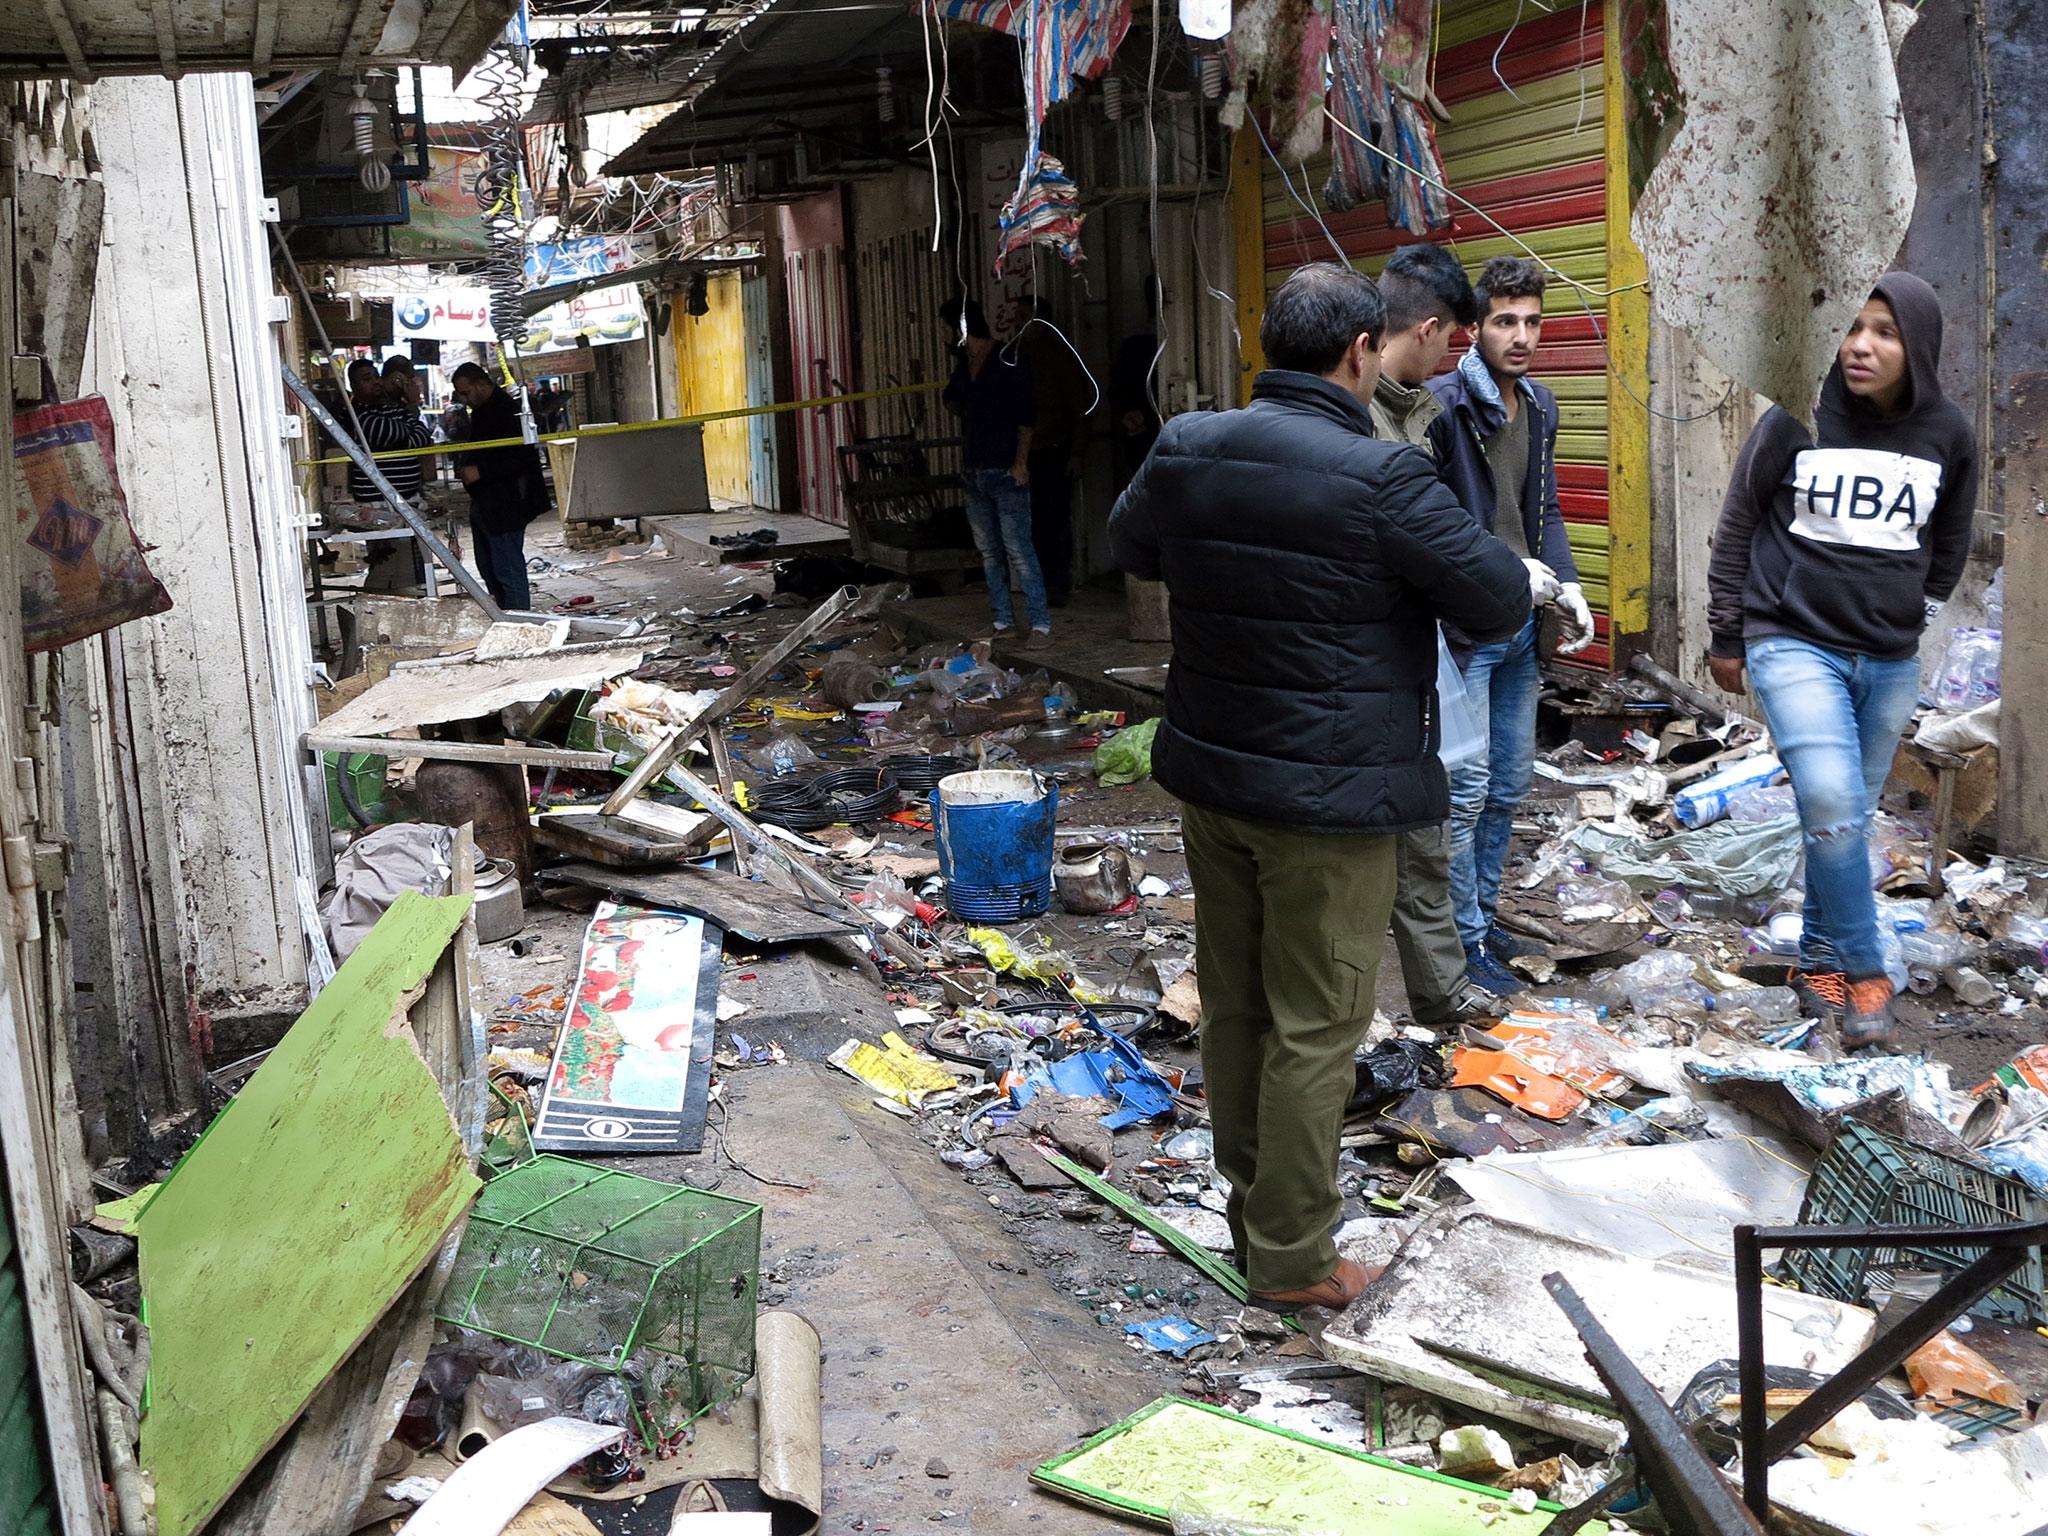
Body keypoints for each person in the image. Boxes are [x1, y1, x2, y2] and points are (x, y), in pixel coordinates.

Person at [1109, 264, 1531, 1310]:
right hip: (1331, 802)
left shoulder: (1188, 444)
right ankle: (1293, 1258)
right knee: (1318, 1023)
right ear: (1357, 354)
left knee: (1238, 1007)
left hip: (1215, 777)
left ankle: (1257, 1210)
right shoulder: (1377, 477)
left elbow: (1133, 546)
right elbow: (1490, 598)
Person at [1707, 274, 1977, 1048]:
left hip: (1888, 660)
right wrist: (1728, 634)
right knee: (1828, 804)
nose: (1860, 344)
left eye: (1884, 332)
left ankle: (1816, 963)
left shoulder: (1948, 433)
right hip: (1791, 640)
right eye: (1852, 327)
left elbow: (1949, 544)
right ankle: (1866, 971)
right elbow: (1738, 524)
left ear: (1916, 346)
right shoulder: (1798, 415)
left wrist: (1911, 616)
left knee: (1845, 824)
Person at [1427, 256, 1595, 995]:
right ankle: (1461, 945)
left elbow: (1546, 510)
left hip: (1525, 624)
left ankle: (1485, 919)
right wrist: (1495, 566)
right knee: (1462, 795)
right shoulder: (1442, 405)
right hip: (1465, 628)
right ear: (1474, 327)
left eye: (1531, 321)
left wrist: (1573, 584)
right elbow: (1427, 522)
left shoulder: (1541, 403)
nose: (1521, 336)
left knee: (1508, 784)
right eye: (1504, 321)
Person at [1368, 245, 1497, 1027]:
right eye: (1452, 337)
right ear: (1425, 327)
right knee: (1381, 839)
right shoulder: (1360, 420)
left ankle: (1444, 998)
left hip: (1411, 656)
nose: (1452, 355)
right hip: (1365, 662)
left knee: (1427, 826)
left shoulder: (1420, 412)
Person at [940, 297, 1052, 649]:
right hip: (975, 471)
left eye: (946, 330)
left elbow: (1026, 417)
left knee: (1018, 549)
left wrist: (1021, 463)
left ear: (960, 329)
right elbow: (952, 399)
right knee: (989, 552)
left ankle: (1040, 624)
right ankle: (1002, 620)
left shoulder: (1007, 359)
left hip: (1005, 470)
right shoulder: (965, 365)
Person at [448, 362, 547, 611]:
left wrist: (481, 471)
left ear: (481, 384)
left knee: (507, 569)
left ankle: (520, 622)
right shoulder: (481, 413)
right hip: (485, 501)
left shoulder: (509, 411)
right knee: (489, 567)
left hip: (507, 502)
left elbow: (521, 458)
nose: (464, 399)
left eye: (466, 392)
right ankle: (507, 615)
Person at [1013, 295, 1088, 608]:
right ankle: (1039, 584)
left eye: (1025, 316)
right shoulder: (1017, 353)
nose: (1019, 323)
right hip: (1027, 452)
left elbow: (1081, 406)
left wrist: (1076, 452)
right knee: (1030, 522)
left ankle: (1057, 584)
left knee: (1053, 521)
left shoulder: (1059, 355)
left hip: (1053, 450)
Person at [344, 358, 434, 591]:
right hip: (378, 505)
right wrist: (407, 427)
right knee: (386, 564)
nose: (375, 382)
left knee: (404, 568)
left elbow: (420, 438)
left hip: (405, 501)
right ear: (354, 387)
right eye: (366, 379)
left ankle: (401, 610)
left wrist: (408, 421)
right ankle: (370, 613)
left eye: (375, 376)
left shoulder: (395, 409)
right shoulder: (358, 416)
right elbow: (392, 432)